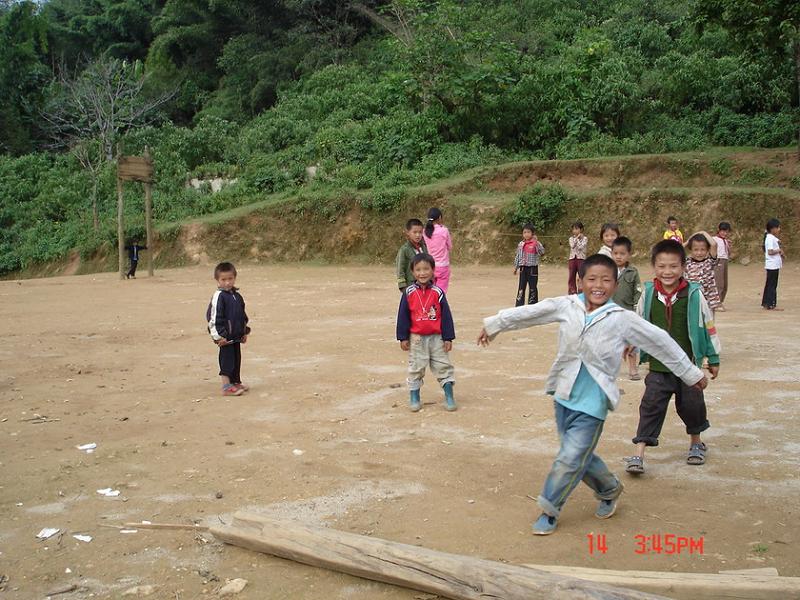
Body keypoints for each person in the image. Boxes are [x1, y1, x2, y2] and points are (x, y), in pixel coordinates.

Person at [477, 254, 706, 535]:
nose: (599, 285)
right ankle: (609, 488)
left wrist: (691, 374)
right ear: (581, 281)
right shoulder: (567, 306)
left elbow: (659, 341)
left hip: (595, 400)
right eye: (592, 279)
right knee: (577, 455)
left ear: (615, 283)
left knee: (570, 457)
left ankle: (549, 509)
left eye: (606, 280)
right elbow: (531, 313)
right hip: (564, 394)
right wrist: (495, 325)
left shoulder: (621, 319)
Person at [625, 240, 721, 475]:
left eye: (673, 267)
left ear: (683, 266)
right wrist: (630, 342)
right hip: (659, 366)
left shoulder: (695, 294)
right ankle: (639, 453)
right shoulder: (648, 293)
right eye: (662, 266)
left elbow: (708, 326)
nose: (667, 272)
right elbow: (637, 323)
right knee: (650, 406)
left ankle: (696, 442)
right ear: (654, 267)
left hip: (688, 365)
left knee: (692, 405)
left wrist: (713, 356)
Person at [397, 253, 456, 412]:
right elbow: (403, 315)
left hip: (437, 338)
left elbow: (446, 315)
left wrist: (448, 337)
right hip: (416, 338)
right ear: (412, 272)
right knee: (416, 367)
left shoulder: (438, 292)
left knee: (443, 365)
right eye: (418, 270)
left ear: (433, 270)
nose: (422, 273)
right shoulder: (408, 292)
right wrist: (402, 337)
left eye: (426, 269)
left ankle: (449, 396)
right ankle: (414, 396)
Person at [206, 262, 251, 397]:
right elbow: (212, 318)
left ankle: (235, 382)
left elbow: (242, 316)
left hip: (236, 336)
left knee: (236, 359)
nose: (227, 282)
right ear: (217, 280)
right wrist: (218, 336)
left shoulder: (237, 296)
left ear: (234, 278)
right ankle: (226, 386)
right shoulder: (219, 297)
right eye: (223, 279)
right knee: (227, 360)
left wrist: (243, 332)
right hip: (225, 338)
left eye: (230, 279)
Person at [611, 236, 642, 380]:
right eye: (615, 253)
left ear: (628, 254)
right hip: (610, 312)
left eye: (622, 254)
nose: (618, 256)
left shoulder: (633, 272)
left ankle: (632, 367)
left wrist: (636, 309)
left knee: (631, 340)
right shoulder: (608, 271)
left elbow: (638, 291)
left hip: (628, 312)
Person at [684, 232, 723, 312]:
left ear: (707, 250)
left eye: (703, 250)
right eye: (695, 250)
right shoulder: (687, 262)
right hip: (692, 298)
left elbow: (714, 244)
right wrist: (689, 240)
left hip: (708, 302)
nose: (699, 253)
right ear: (690, 250)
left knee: (708, 323)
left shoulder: (710, 261)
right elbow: (677, 250)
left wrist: (703, 232)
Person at [514, 223, 545, 306]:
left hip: (532, 269)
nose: (526, 234)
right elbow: (518, 255)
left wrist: (536, 243)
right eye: (524, 232)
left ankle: (533, 305)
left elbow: (542, 252)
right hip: (523, 268)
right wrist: (516, 267)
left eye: (528, 232)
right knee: (521, 287)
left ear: (532, 233)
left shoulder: (535, 243)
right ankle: (519, 305)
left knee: (532, 287)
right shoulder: (521, 244)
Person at [423, 207, 453, 293]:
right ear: (439, 217)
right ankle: (437, 306)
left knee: (431, 290)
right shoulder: (444, 230)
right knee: (441, 292)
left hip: (431, 265)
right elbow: (450, 246)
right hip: (443, 266)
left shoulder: (425, 231)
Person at [396, 218, 428, 292]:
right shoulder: (404, 250)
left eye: (420, 232)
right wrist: (403, 287)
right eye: (415, 232)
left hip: (424, 284)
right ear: (408, 232)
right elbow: (400, 269)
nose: (418, 235)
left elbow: (428, 264)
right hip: (411, 285)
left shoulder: (424, 247)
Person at [762, 218, 785, 311]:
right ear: (772, 229)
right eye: (777, 227)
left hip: (773, 264)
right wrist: (779, 250)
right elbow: (770, 251)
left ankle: (766, 302)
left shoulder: (771, 237)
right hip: (772, 265)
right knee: (772, 285)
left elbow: (778, 241)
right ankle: (771, 304)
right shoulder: (769, 238)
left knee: (769, 284)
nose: (779, 229)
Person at [712, 222, 732, 305]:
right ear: (719, 231)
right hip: (718, 260)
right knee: (719, 282)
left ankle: (721, 301)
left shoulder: (726, 241)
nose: (725, 233)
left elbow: (729, 253)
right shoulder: (714, 239)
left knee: (724, 283)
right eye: (723, 231)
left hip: (725, 260)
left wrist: (729, 247)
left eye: (726, 232)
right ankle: (716, 302)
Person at [567, 221, 587, 294]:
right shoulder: (571, 239)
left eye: (577, 229)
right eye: (573, 229)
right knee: (571, 275)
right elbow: (572, 246)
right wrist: (577, 238)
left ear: (581, 229)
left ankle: (582, 291)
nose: (575, 231)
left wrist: (579, 239)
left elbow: (580, 247)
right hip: (572, 259)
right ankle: (572, 291)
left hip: (581, 259)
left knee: (582, 275)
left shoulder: (585, 238)